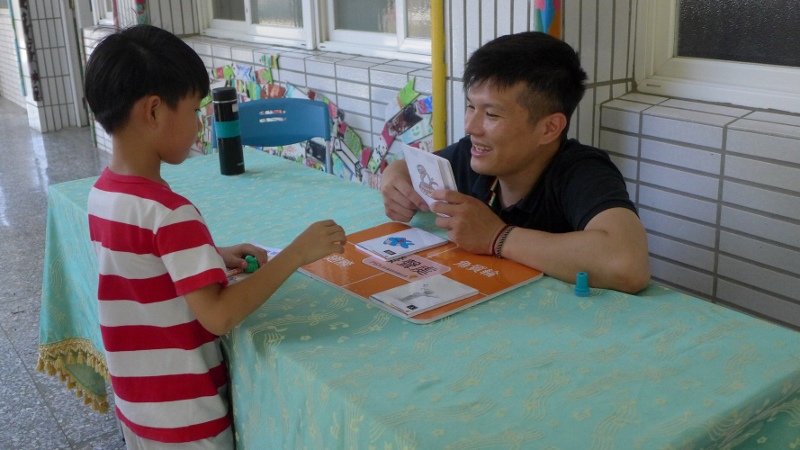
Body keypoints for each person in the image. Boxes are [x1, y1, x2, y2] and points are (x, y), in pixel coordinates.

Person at [84, 25, 346, 449]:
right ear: (153, 112)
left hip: (137, 404)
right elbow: (219, 316)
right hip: (187, 415)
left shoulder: (103, 192)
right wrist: (295, 254)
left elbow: (139, 261)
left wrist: (210, 255)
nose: (199, 124)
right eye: (193, 111)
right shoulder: (171, 213)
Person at [380, 31, 650, 294]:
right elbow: (406, 167)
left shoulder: (582, 171)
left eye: (492, 114)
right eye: (471, 107)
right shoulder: (474, 153)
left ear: (549, 128)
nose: (471, 126)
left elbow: (627, 265)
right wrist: (393, 180)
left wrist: (497, 238)